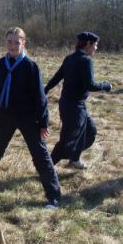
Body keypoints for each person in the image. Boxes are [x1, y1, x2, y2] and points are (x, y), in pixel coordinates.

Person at [0, 27, 61, 209]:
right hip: (4, 116)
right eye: (9, 42)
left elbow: (40, 97)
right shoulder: (0, 64)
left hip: (28, 117)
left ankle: (54, 196)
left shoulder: (31, 67)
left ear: (23, 43)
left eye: (16, 42)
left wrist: (43, 122)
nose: (12, 46)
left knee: (40, 156)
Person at [44, 32, 111, 169]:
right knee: (67, 140)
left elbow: (57, 77)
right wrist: (106, 85)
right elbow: (90, 85)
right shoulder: (86, 60)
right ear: (88, 44)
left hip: (69, 104)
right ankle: (47, 168)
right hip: (73, 107)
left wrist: (45, 90)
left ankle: (74, 159)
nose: (96, 48)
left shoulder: (70, 58)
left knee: (89, 130)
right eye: (95, 45)